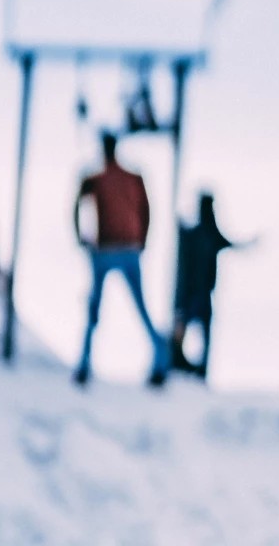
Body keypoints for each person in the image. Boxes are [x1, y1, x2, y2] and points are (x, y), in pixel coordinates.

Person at [73, 131, 168, 387]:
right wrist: (143, 241)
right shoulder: (132, 178)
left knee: (94, 309)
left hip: (105, 250)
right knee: (141, 308)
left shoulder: (97, 179)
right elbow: (148, 211)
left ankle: (84, 363)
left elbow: (75, 205)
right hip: (129, 248)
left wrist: (80, 237)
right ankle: (160, 359)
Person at [171, 193, 237, 379]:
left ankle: (198, 365)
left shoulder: (205, 232)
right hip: (195, 292)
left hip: (199, 291)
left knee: (198, 329)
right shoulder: (203, 232)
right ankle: (182, 361)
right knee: (191, 328)